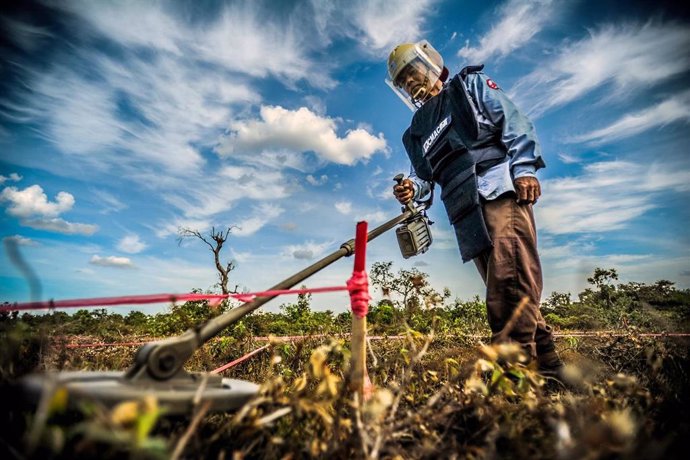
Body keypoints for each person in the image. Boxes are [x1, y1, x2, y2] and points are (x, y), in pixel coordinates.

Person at [386, 40, 563, 377]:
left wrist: (524, 168)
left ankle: (514, 374)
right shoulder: (417, 132)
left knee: (509, 281)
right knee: (507, 285)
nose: (410, 82)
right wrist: (411, 190)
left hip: (498, 192)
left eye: (413, 72)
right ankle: (550, 365)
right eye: (403, 81)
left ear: (432, 65)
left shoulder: (469, 87)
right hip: (464, 212)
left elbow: (513, 121)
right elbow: (424, 179)